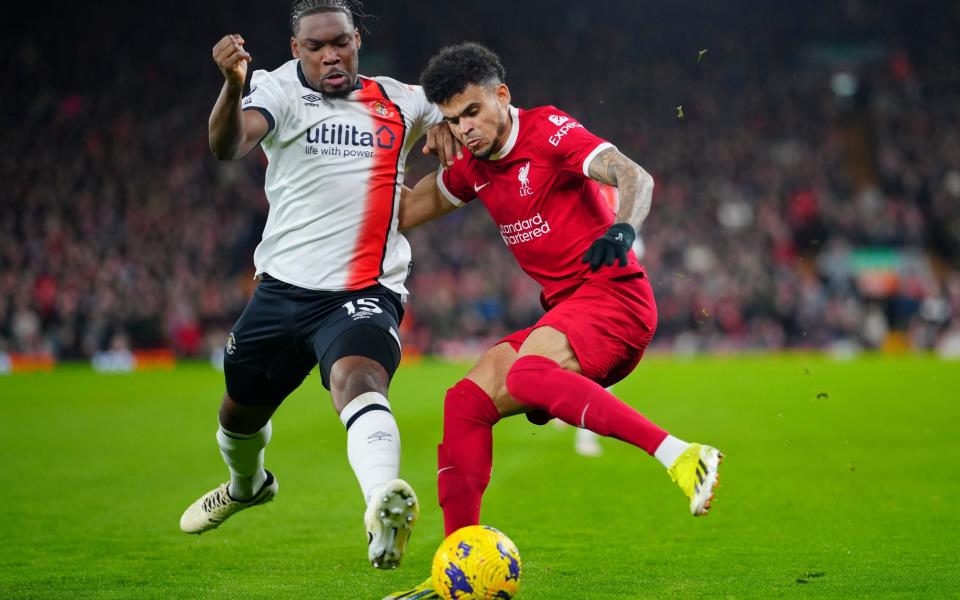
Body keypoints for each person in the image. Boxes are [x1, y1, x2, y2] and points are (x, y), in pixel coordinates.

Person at [385, 42, 723, 598]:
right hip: (568, 311)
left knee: (522, 375)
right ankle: (456, 567)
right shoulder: (472, 167)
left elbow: (635, 176)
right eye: (452, 120)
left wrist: (624, 229)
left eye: (472, 112)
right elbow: (403, 211)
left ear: (502, 95)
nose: (465, 129)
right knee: (464, 402)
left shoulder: (549, 131)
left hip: (615, 299)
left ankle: (682, 455)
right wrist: (397, 145)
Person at [178, 0, 456, 571]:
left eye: (341, 42)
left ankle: (382, 502)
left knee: (358, 379)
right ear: (295, 50)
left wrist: (455, 126)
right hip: (281, 291)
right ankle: (247, 484)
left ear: (357, 40)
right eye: (316, 46)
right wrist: (231, 87)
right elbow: (228, 144)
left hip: (364, 290)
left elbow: (473, 104)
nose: (331, 55)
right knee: (238, 415)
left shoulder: (402, 99)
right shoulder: (275, 90)